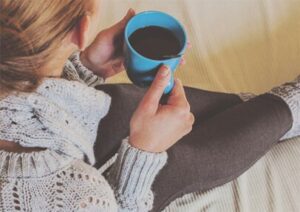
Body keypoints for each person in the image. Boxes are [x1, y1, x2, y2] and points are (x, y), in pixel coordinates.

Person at [0, 0, 299, 211]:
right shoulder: (79, 198)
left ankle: (265, 106)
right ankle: (290, 102)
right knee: (173, 163)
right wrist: (143, 155)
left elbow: (30, 97)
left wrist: (85, 67)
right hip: (108, 199)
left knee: (115, 103)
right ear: (82, 29)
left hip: (60, 143)